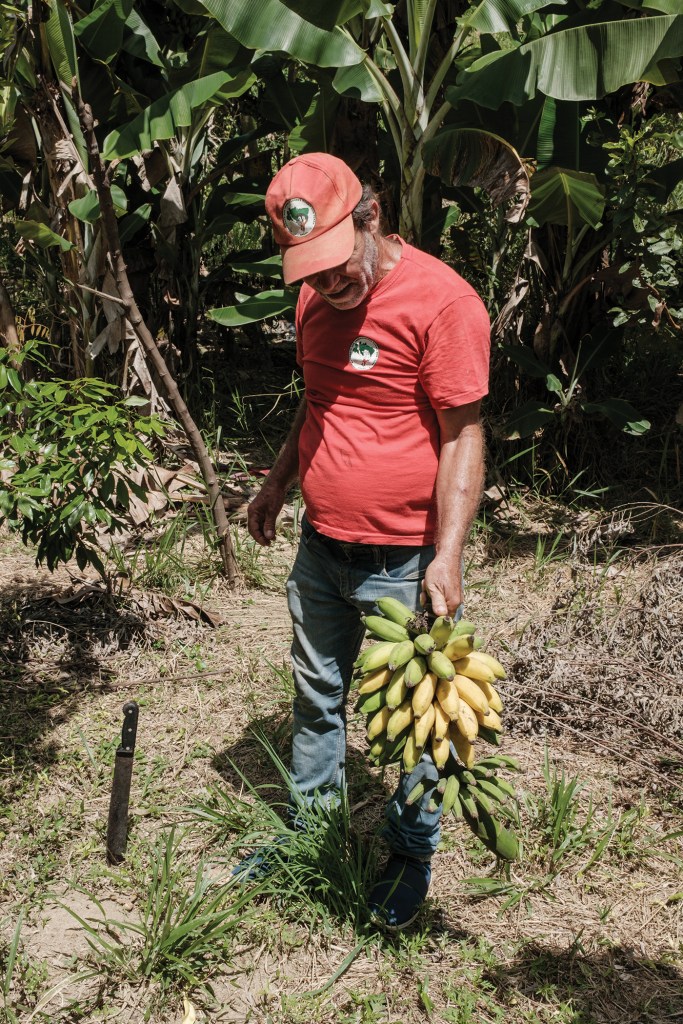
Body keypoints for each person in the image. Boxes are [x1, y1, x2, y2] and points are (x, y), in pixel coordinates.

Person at [243, 152, 490, 929]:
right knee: (316, 696)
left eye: (336, 265)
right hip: (323, 548)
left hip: (404, 562)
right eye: (309, 272)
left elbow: (462, 437)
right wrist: (278, 482)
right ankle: (311, 837)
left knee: (421, 720)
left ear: (371, 218)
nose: (326, 284)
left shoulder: (442, 302)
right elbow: (319, 405)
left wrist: (446, 555)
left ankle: (409, 853)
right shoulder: (314, 304)